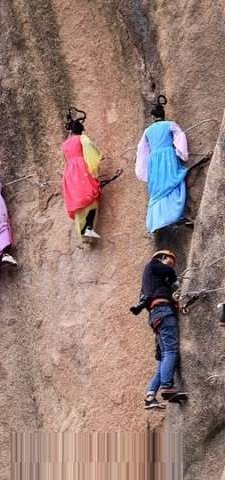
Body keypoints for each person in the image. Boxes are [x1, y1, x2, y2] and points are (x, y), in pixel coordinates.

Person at [131, 250, 182, 408]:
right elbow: (168, 272)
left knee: (162, 358)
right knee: (171, 351)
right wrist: (173, 280)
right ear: (161, 258)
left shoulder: (149, 285)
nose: (172, 265)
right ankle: (166, 385)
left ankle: (150, 395)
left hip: (156, 316)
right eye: (170, 261)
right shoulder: (153, 265)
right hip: (163, 312)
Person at [135, 95, 189, 233]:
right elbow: (180, 137)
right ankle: (173, 215)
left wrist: (143, 168)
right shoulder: (170, 125)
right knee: (172, 183)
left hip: (154, 161)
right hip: (168, 158)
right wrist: (181, 153)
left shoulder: (148, 131)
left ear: (153, 117)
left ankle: (158, 220)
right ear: (163, 114)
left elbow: (141, 149)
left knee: (158, 188)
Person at [61, 107, 103, 240]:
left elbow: (66, 159)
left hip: (69, 173)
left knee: (78, 199)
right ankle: (88, 228)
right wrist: (98, 157)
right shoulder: (82, 138)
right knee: (91, 196)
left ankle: (84, 231)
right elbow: (91, 149)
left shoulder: (65, 144)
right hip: (81, 169)